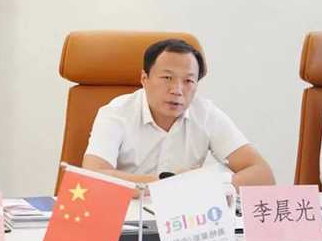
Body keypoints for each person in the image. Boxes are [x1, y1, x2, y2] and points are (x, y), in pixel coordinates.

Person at [82, 38, 275, 192]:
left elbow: (263, 175)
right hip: (125, 217)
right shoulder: (116, 113)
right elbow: (92, 177)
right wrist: (169, 183)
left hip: (183, 222)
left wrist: (206, 185)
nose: (177, 90)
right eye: (167, 78)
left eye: (188, 81)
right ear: (144, 78)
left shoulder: (206, 115)